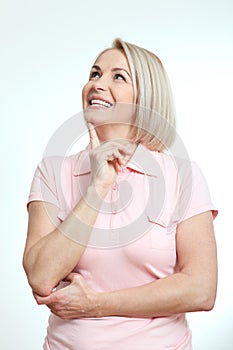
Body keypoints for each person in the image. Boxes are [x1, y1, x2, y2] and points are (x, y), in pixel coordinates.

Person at [23, 38, 218, 350]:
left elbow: (201, 289)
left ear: (145, 99)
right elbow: (41, 277)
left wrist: (97, 304)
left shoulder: (183, 176)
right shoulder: (53, 172)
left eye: (118, 76)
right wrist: (97, 188)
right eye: (95, 74)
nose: (98, 84)